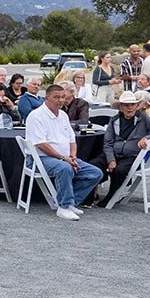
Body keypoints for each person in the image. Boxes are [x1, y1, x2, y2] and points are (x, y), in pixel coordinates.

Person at [24, 83, 105, 220]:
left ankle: (70, 202)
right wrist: (63, 158)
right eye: (56, 97)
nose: (61, 100)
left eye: (62, 97)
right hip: (40, 159)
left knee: (95, 173)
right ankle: (63, 207)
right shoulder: (36, 116)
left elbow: (71, 139)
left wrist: (72, 156)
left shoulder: (63, 115)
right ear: (47, 98)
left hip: (64, 158)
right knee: (64, 168)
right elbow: (41, 144)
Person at [99, 91, 150, 206]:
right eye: (126, 105)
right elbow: (108, 142)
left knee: (119, 170)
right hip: (115, 152)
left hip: (131, 156)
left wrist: (147, 137)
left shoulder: (143, 118)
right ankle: (89, 196)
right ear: (120, 107)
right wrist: (111, 160)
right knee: (95, 163)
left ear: (136, 106)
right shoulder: (114, 120)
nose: (130, 108)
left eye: (132, 105)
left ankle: (111, 196)